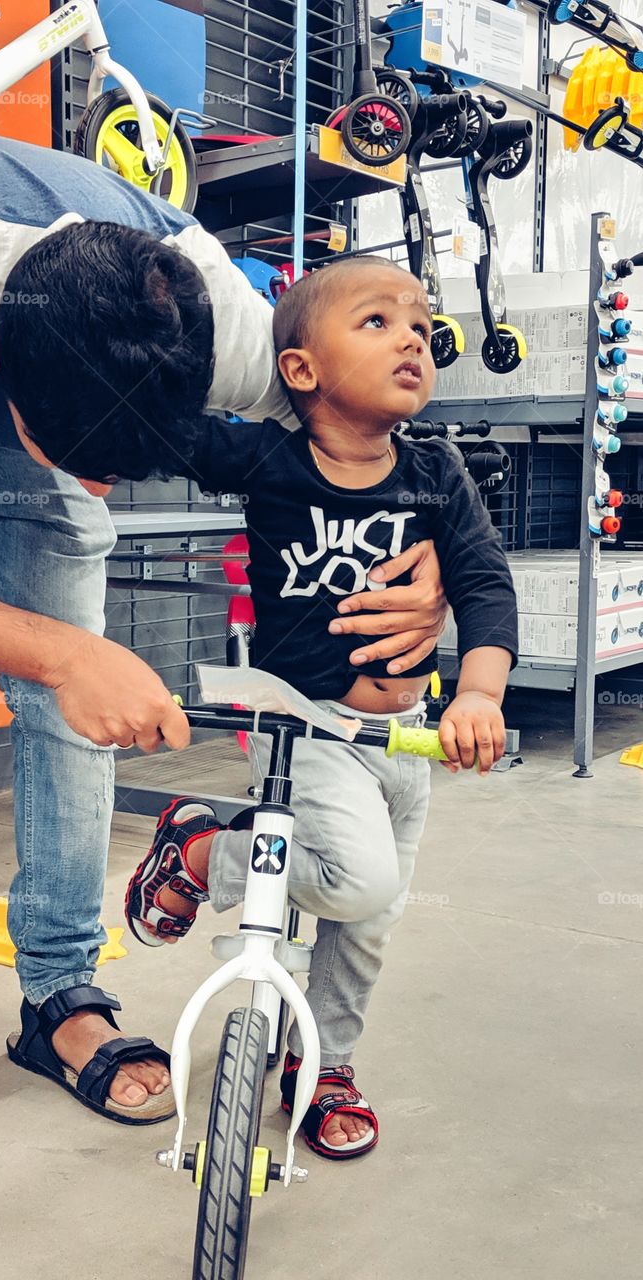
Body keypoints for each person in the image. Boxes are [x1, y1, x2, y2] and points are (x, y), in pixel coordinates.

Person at [0, 131, 447, 1123]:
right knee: (58, 671)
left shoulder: (224, 321)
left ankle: (57, 996)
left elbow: (363, 421)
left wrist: (419, 555)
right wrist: (64, 650)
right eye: (80, 462)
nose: (91, 493)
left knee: (74, 725)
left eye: (117, 471)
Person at [124, 256, 519, 1157]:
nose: (412, 338)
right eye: (377, 323)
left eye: (420, 325)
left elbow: (484, 583)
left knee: (367, 925)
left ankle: (324, 1062)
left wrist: (481, 691)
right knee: (358, 881)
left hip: (408, 740)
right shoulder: (265, 454)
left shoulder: (435, 470)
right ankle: (200, 852)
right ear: (299, 371)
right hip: (305, 726)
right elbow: (159, 426)